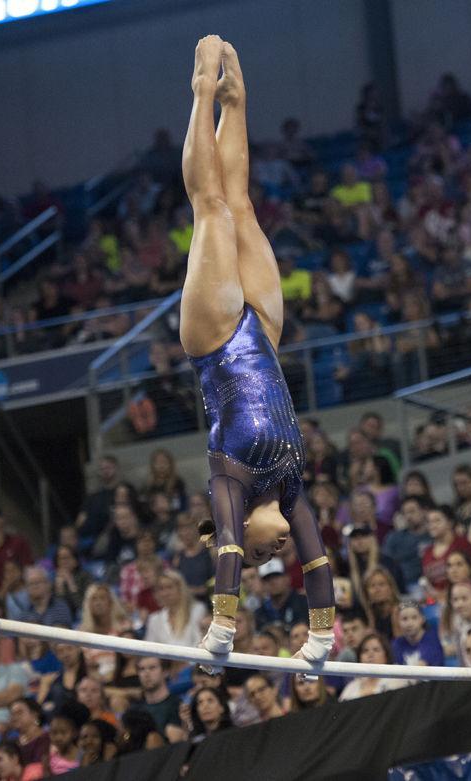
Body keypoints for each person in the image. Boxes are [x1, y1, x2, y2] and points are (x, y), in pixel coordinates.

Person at [179, 37, 335, 663]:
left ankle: (200, 94)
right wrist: (320, 638)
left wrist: (222, 626)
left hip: (216, 342)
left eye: (263, 553)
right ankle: (236, 104)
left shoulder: (231, 484)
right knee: (240, 203)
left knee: (211, 208)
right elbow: (318, 555)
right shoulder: (292, 491)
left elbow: (229, 553)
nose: (278, 555)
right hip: (264, 337)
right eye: (279, 555)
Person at [421, 506, 471, 596]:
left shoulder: (462, 543)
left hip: (463, 594)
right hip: (436, 601)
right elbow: (427, 582)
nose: (432, 526)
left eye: (437, 521)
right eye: (429, 522)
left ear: (450, 523)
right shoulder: (427, 552)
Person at [382, 496, 433, 592]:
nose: (409, 516)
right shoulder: (394, 538)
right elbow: (386, 564)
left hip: (433, 582)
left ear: (424, 511)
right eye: (405, 513)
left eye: (412, 511)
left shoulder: (432, 535)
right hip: (406, 586)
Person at [144, 570, 207, 647]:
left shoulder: (197, 610)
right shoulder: (154, 619)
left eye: (169, 587)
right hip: (163, 658)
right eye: (161, 589)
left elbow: (199, 643)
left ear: (180, 589)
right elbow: (149, 649)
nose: (165, 593)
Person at [338, 632, 408, 701]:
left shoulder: (397, 682)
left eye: (376, 650)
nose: (370, 654)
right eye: (365, 651)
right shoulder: (351, 688)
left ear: (386, 655)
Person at [136, 657, 185, 743]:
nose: (146, 674)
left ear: (165, 672)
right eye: (142, 669)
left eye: (152, 668)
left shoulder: (177, 705)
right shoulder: (135, 709)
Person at [253, 558, 309, 632]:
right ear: (262, 584)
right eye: (267, 579)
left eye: (277, 576)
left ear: (287, 578)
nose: (272, 582)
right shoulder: (260, 614)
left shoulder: (305, 603)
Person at [392, 601, 444, 666]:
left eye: (414, 618)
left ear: (423, 619)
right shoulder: (397, 644)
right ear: (398, 622)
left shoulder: (432, 639)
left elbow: (422, 666)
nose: (409, 624)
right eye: (404, 619)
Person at [8, 698, 50, 766]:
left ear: (34, 715)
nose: (14, 717)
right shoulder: (12, 743)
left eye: (19, 712)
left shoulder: (46, 738)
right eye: (12, 714)